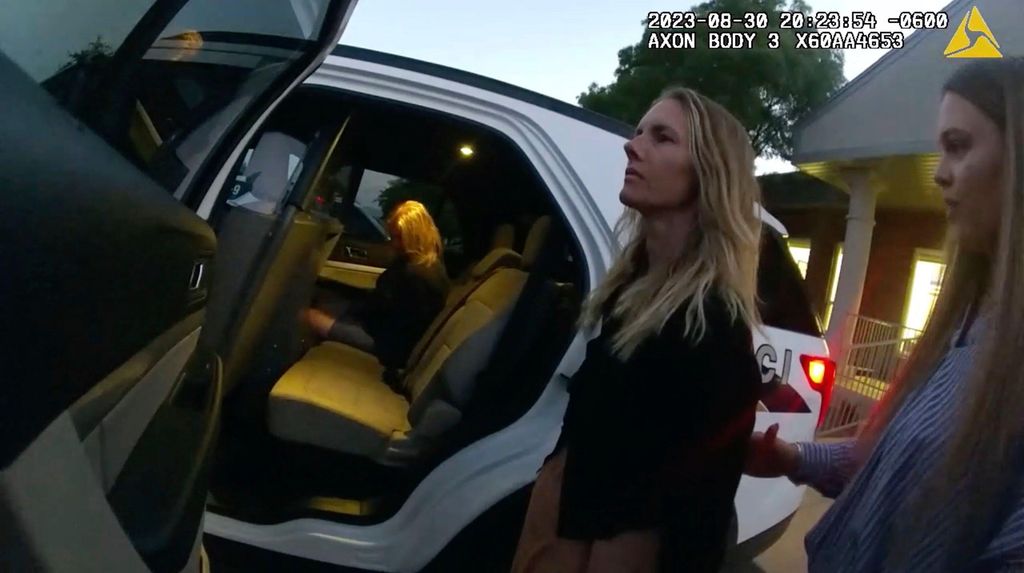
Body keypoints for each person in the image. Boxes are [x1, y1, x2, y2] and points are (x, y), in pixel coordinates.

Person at [745, 58, 1024, 572]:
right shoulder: (962, 322)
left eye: (959, 146)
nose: (938, 172)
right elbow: (887, 460)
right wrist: (793, 459)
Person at [512, 87, 764, 573]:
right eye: (639, 132)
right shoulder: (627, 290)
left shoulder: (711, 329)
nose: (634, 145)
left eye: (662, 137)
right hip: (562, 527)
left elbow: (697, 514)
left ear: (708, 174)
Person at [306, 200, 450, 375]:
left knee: (310, 316)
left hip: (388, 346)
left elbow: (393, 319)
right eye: (393, 237)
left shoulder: (418, 275)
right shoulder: (418, 264)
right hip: (381, 330)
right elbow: (382, 302)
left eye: (399, 237)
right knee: (326, 302)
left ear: (414, 236)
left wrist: (347, 316)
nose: (394, 243)